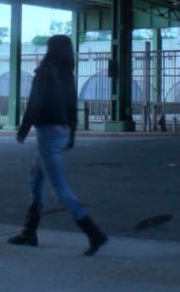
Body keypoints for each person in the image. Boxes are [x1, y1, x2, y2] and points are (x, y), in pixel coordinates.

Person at [8, 34, 108, 256]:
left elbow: (36, 101)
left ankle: (94, 233)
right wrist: (72, 134)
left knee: (60, 189)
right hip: (62, 131)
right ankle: (29, 231)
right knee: (36, 178)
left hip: (48, 132)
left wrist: (24, 128)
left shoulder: (46, 71)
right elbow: (73, 107)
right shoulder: (67, 75)